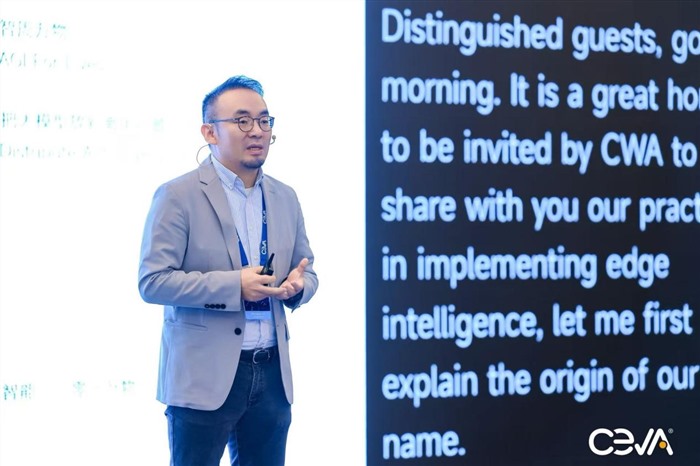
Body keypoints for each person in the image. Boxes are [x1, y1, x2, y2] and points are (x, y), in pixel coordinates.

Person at [138, 75, 318, 466]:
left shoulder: (285, 197)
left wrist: (299, 286)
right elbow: (153, 282)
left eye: (264, 121)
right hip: (204, 376)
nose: (257, 131)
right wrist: (234, 286)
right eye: (242, 121)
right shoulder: (178, 195)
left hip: (271, 373)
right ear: (210, 132)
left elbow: (307, 269)